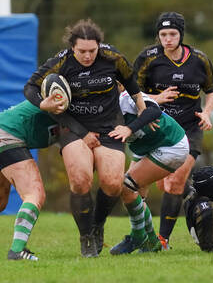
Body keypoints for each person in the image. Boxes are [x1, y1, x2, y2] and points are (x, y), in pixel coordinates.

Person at [24, 19, 146, 258]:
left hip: (109, 126)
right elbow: (30, 87)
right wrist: (43, 103)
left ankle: (97, 225)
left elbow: (132, 82)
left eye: (92, 50)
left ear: (99, 45)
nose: (88, 56)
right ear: (72, 48)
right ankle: (86, 237)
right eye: (82, 52)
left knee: (113, 183)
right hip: (73, 127)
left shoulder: (113, 58)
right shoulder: (60, 62)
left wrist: (141, 107)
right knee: (80, 180)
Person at [133, 11, 213, 249]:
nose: (167, 39)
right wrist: (157, 97)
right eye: (163, 34)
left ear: (181, 34)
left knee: (174, 182)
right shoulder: (148, 58)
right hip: (159, 127)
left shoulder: (200, 60)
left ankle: (162, 240)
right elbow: (131, 94)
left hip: (190, 128)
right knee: (165, 184)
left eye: (172, 34)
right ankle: (203, 204)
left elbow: (212, 89)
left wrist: (208, 112)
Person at [96, 82, 189, 254]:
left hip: (171, 144)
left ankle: (139, 237)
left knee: (126, 187)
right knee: (132, 194)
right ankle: (151, 242)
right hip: (146, 147)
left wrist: (130, 128)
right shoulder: (101, 108)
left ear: (120, 86)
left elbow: (154, 110)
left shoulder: (128, 99)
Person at [0, 98, 61, 261]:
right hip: (7, 134)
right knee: (34, 194)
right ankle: (17, 251)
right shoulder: (60, 100)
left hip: (5, 133)